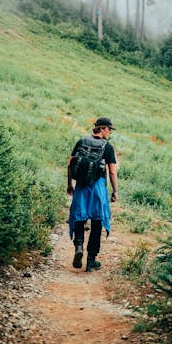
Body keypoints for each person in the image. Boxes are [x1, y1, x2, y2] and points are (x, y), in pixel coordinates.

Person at [67, 116, 118, 272]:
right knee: (97, 222)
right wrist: (115, 191)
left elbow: (70, 164)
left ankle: (79, 247)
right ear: (102, 128)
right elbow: (112, 171)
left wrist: (69, 184)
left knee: (79, 218)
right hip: (98, 188)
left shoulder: (82, 141)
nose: (110, 132)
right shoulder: (107, 147)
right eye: (109, 129)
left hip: (82, 186)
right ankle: (91, 261)